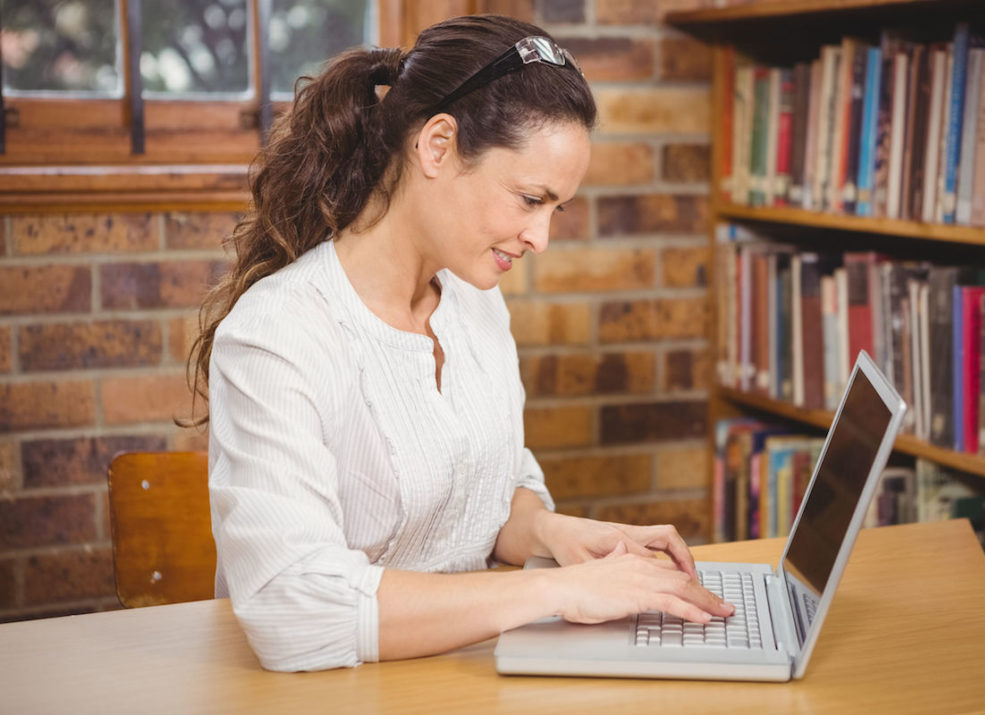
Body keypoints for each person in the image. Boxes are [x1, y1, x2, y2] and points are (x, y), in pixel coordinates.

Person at [188, 14, 733, 672]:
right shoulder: (277, 333)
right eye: (529, 198)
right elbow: (293, 608)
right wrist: (554, 589)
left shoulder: (473, 300)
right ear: (437, 147)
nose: (541, 238)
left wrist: (553, 533)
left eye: (553, 208)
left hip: (461, 676)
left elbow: (487, 491)